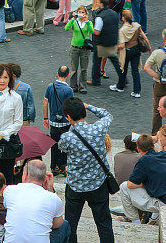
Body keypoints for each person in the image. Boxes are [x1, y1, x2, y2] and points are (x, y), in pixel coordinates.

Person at [57, 97, 114, 243]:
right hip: (98, 185)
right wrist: (89, 106)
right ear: (84, 113)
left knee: (71, 224)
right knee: (104, 224)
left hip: (75, 187)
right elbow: (107, 115)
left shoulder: (67, 137)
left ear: (68, 117)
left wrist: (72, 127)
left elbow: (62, 149)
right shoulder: (98, 128)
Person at [3, 159, 69, 243]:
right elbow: (57, 224)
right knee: (65, 225)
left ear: (26, 175)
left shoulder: (9, 190)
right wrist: (50, 189)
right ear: (44, 178)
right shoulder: (52, 198)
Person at [118, 134, 166, 224]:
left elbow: (130, 184)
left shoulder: (144, 161)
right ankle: (153, 219)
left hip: (163, 203)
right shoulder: (165, 154)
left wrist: (144, 184)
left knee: (124, 187)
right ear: (153, 146)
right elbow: (158, 151)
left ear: (138, 149)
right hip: (165, 196)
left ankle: (136, 222)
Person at [43, 66, 73, 176]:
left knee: (54, 143)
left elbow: (45, 102)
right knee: (65, 144)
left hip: (53, 121)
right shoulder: (69, 90)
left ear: (57, 73)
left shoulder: (50, 87)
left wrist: (46, 118)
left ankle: (53, 166)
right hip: (65, 122)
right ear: (68, 75)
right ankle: (62, 166)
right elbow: (70, 105)